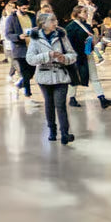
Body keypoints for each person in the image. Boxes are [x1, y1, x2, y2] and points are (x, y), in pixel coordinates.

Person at [27, 12, 78, 145]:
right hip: (44, 76)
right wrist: (47, 55)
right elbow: (30, 59)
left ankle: (65, 133)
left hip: (61, 74)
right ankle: (52, 131)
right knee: (49, 104)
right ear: (43, 24)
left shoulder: (61, 35)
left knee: (60, 105)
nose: (56, 23)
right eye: (52, 21)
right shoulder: (35, 38)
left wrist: (64, 58)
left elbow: (72, 54)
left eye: (56, 20)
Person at [65, 3, 111, 110]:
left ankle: (102, 99)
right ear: (77, 13)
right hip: (77, 56)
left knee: (94, 77)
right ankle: (72, 98)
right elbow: (68, 43)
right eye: (84, 12)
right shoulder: (71, 27)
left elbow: (92, 37)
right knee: (75, 77)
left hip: (88, 54)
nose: (86, 14)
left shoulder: (87, 26)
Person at [2, 0, 32, 96]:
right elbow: (7, 34)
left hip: (32, 49)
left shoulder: (31, 16)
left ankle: (18, 85)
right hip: (20, 50)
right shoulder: (11, 19)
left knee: (31, 73)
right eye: (24, 8)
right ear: (18, 7)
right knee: (25, 75)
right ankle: (28, 96)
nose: (26, 10)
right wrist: (18, 37)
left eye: (27, 8)